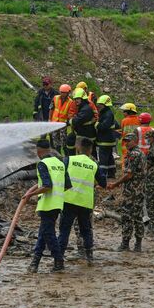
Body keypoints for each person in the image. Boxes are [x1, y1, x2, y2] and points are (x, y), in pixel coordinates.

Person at [23, 139, 71, 273]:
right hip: (58, 204)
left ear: (38, 151)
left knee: (48, 234)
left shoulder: (42, 164)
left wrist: (30, 195)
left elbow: (47, 186)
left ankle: (59, 259)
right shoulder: (60, 163)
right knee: (43, 233)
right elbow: (67, 185)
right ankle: (35, 263)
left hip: (47, 204)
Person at [58, 137, 107, 265]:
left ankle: (59, 259)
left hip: (68, 201)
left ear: (78, 147)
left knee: (64, 230)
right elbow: (103, 183)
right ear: (90, 150)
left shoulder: (69, 160)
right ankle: (89, 257)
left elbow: (59, 174)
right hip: (85, 203)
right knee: (86, 230)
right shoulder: (93, 164)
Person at [107, 132, 147, 252]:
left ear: (135, 141)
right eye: (125, 142)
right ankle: (138, 244)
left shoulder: (133, 154)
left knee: (127, 217)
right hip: (139, 190)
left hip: (132, 192)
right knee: (138, 217)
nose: (126, 144)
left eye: (128, 141)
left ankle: (125, 243)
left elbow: (129, 175)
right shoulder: (141, 153)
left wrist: (115, 184)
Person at [65, 88, 96, 156]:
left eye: (78, 99)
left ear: (83, 99)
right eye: (75, 99)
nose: (76, 100)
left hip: (86, 136)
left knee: (86, 155)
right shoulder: (83, 107)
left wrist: (70, 121)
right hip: (84, 134)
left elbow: (77, 121)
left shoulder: (85, 109)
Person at [95, 95, 118, 178]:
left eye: (100, 105)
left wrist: (96, 123)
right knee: (109, 156)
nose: (98, 106)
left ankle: (103, 174)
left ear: (105, 105)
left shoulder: (107, 114)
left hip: (105, 140)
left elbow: (103, 126)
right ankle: (112, 173)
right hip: (108, 139)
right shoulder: (107, 112)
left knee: (103, 157)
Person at [48, 84, 73, 155]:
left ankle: (66, 155)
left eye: (64, 92)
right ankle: (58, 154)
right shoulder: (55, 98)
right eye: (61, 92)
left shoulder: (70, 102)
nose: (62, 94)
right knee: (55, 139)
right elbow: (51, 109)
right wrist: (49, 119)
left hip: (63, 124)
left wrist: (68, 122)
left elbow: (70, 113)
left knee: (64, 140)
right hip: (54, 123)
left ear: (68, 93)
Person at [118, 103, 140, 170]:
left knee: (125, 160)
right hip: (137, 144)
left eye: (124, 111)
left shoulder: (124, 120)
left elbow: (121, 132)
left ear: (128, 112)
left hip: (126, 145)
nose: (123, 113)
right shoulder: (139, 120)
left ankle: (125, 173)